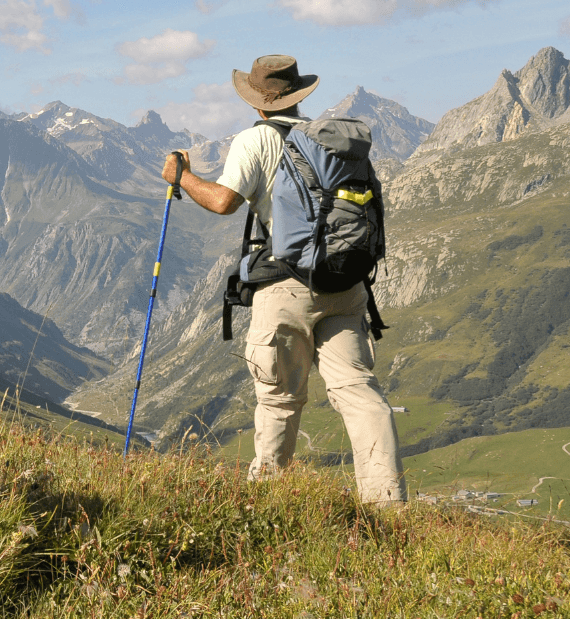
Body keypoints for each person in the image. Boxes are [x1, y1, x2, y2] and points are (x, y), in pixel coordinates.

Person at [161, 54, 406, 506]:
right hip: (345, 284)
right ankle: (387, 501)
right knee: (359, 391)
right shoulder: (323, 140)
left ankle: (268, 500)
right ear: (297, 96)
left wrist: (183, 177)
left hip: (286, 286)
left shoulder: (255, 142)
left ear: (256, 103)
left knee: (279, 400)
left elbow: (222, 202)